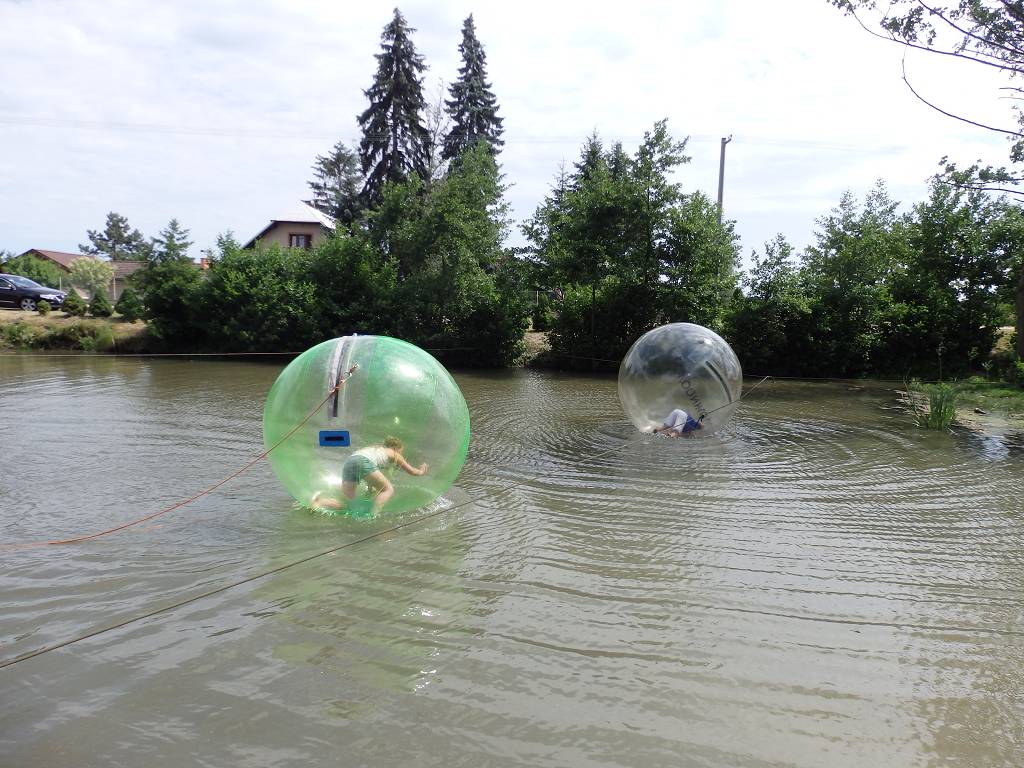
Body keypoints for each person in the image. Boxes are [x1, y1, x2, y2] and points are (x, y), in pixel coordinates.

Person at [311, 436, 428, 516]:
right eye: (400, 451)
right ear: (395, 448)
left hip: (350, 462)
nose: (400, 454)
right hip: (363, 461)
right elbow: (412, 471)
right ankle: (372, 515)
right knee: (388, 489)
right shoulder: (394, 453)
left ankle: (320, 502)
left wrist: (371, 489)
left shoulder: (375, 449)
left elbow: (370, 474)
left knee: (347, 503)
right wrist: (421, 471)